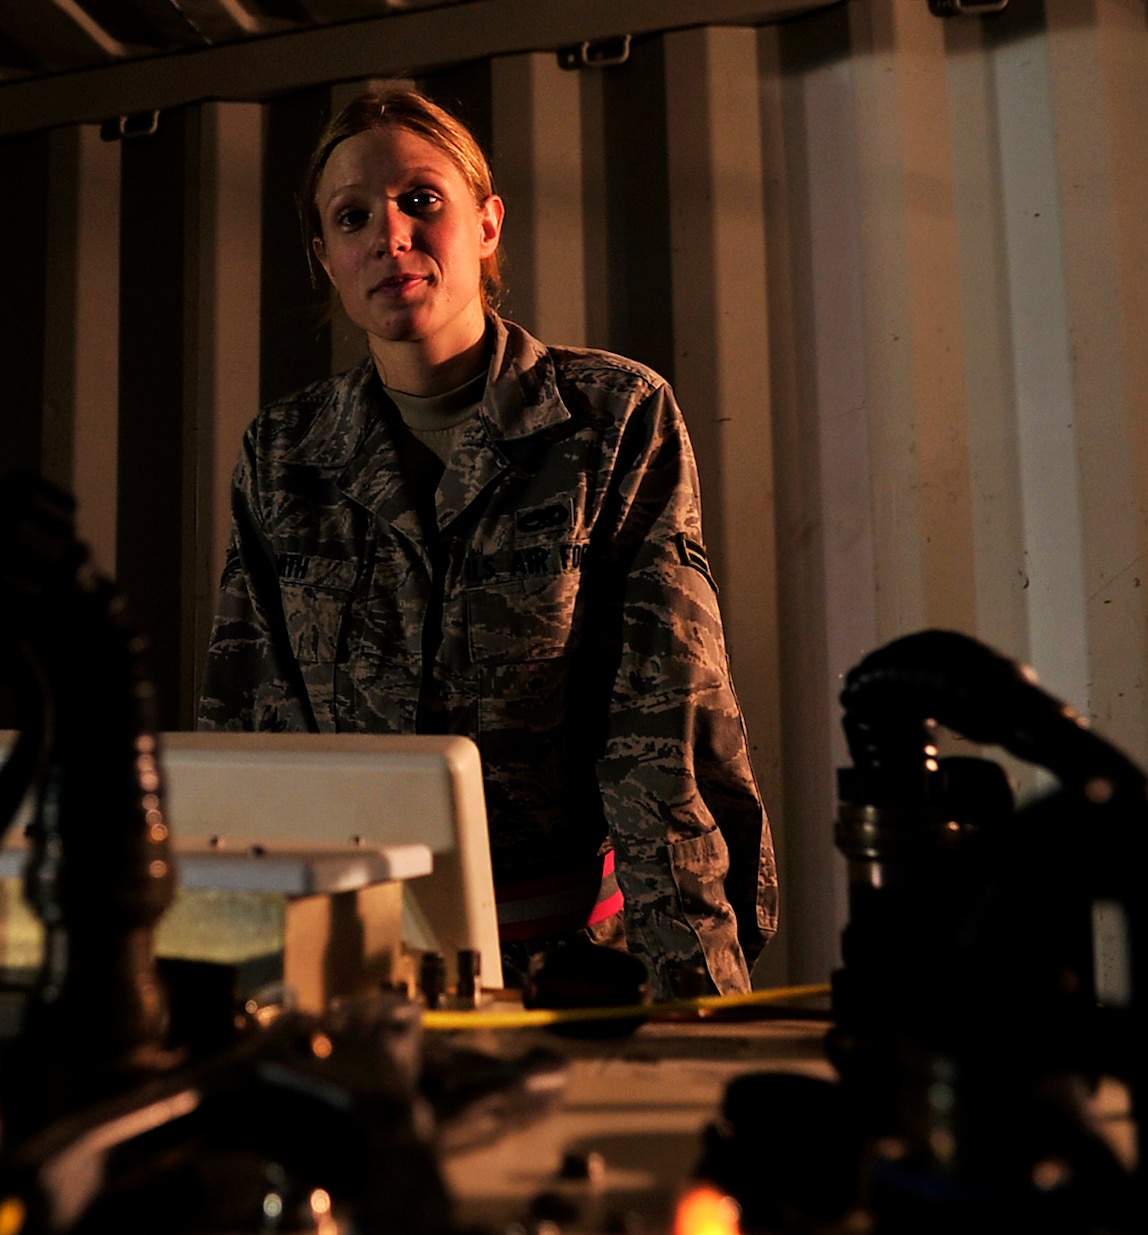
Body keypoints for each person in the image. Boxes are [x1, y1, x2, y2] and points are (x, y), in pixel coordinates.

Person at [196, 89, 776, 999]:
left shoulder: (609, 416)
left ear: (488, 223)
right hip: (363, 968)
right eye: (353, 218)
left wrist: (691, 992)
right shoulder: (286, 453)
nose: (390, 236)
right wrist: (232, 969)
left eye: (421, 200)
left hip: (577, 969)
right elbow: (248, 727)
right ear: (327, 259)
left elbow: (662, 724)